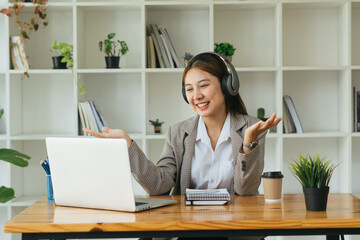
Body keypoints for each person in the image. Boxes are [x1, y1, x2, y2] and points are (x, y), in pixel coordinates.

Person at [83, 52, 281, 239]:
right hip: (187, 229)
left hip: (232, 230)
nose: (196, 96)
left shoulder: (251, 128)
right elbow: (157, 185)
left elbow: (246, 191)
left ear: (227, 85)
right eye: (189, 89)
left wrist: (248, 144)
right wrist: (127, 144)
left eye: (203, 85)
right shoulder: (177, 132)